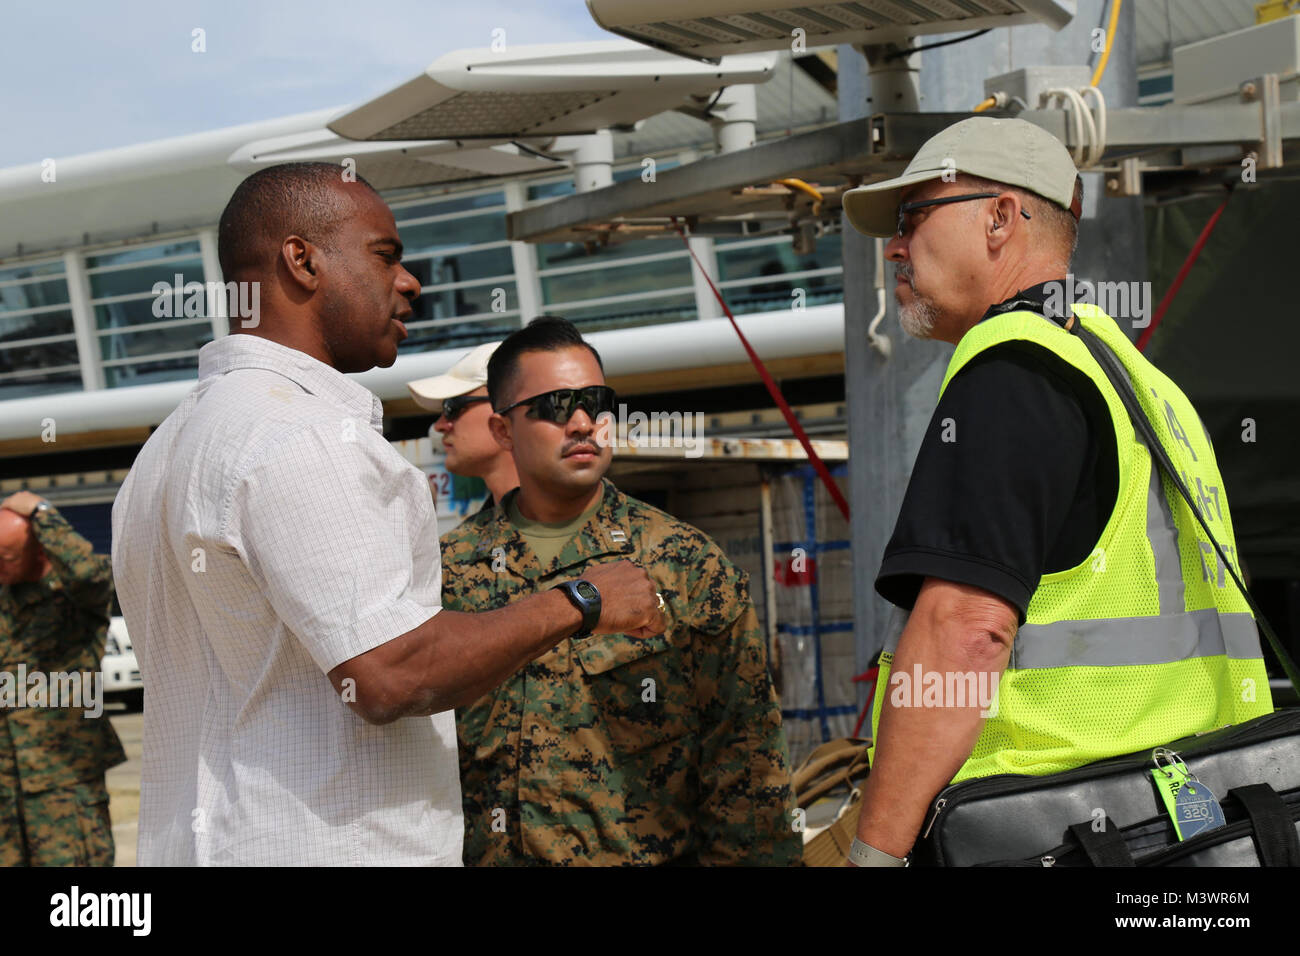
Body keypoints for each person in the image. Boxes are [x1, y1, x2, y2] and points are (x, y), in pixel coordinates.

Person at [111, 163, 662, 866]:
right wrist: (581, 599)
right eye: (385, 255)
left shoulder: (167, 448)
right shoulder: (302, 435)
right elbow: (389, 673)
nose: (410, 283)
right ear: (302, 260)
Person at [837, 116, 1273, 867]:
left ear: (1002, 218)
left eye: (912, 218)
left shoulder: (1011, 370)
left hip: (1062, 833)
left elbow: (965, 634)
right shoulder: (1138, 379)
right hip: (1199, 828)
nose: (894, 249)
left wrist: (872, 856)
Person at [440, 315, 801, 866]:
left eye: (596, 402)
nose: (583, 422)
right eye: (556, 405)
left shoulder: (684, 564)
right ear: (502, 430)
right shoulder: (446, 574)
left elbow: (747, 766)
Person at [0, 491, 125, 866]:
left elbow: (89, 572)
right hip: (6, 788)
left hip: (66, 786)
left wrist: (42, 515)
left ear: (41, 551)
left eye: (6, 556)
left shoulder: (75, 600)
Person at [408, 340, 519, 506]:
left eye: (452, 407)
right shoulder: (477, 530)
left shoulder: (567, 520)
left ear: (508, 408)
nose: (439, 426)